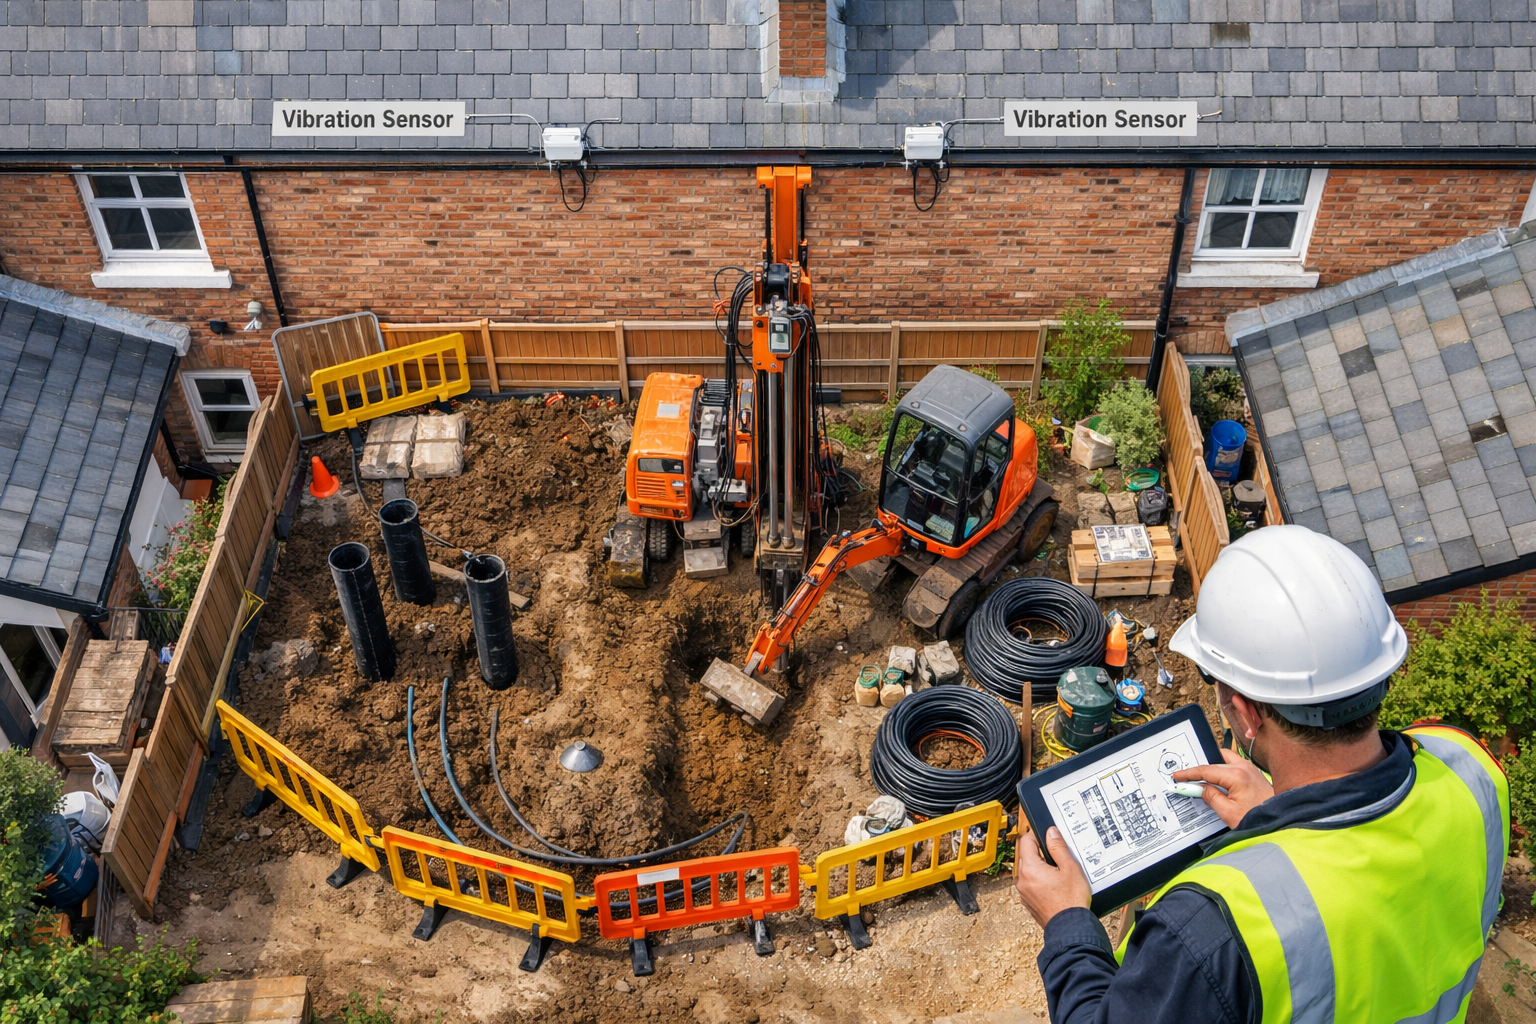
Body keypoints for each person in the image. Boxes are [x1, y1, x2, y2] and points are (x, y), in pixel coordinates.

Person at [1014, 525, 1509, 1024]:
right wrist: (1275, 817)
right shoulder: (1470, 768)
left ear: (1246, 714)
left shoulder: (1210, 929)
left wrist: (1067, 921)